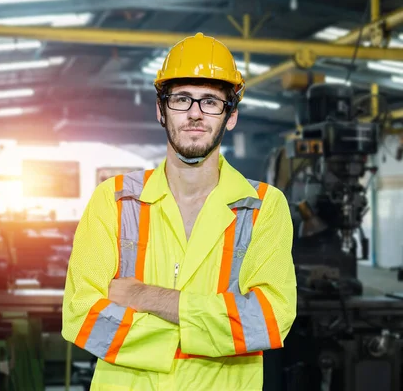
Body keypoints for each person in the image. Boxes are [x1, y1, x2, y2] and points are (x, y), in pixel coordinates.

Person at [61, 32, 297, 391]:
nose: (195, 114)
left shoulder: (264, 207)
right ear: (160, 110)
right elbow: (81, 316)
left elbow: (270, 320)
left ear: (230, 116)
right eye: (182, 99)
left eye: (211, 101)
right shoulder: (114, 201)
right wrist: (212, 333)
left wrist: (143, 297)